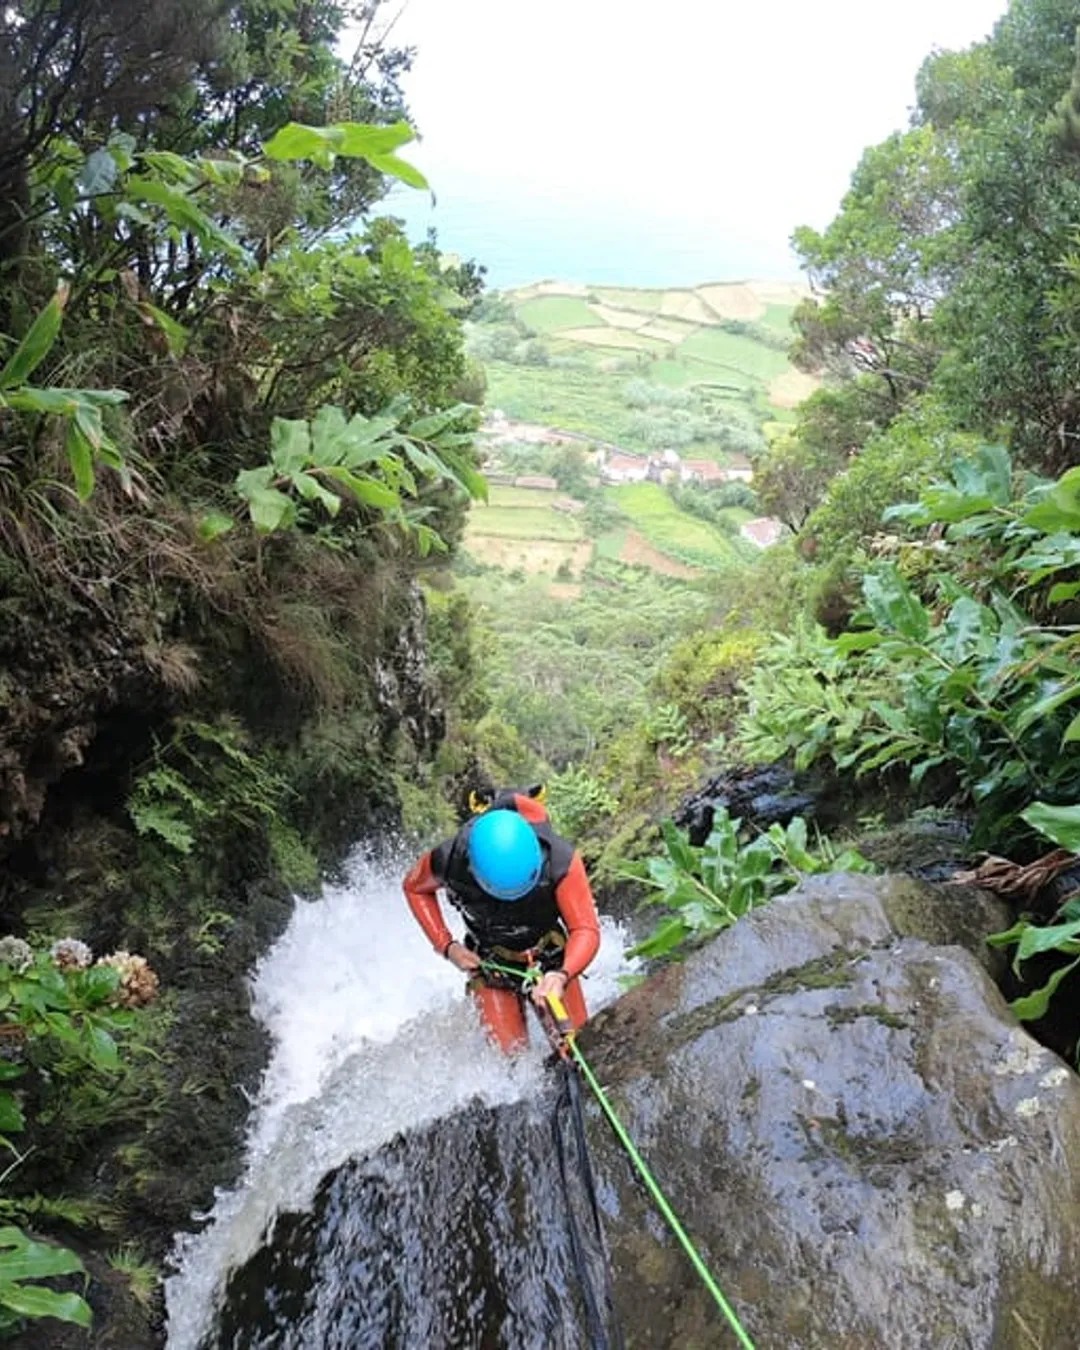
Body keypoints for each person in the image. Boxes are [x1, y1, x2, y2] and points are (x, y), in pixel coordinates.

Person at [403, 785, 601, 1053]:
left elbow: (585, 929)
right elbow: (414, 888)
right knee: (511, 1062)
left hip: (548, 950)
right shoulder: (450, 859)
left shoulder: (560, 860)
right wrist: (448, 947)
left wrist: (560, 975)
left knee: (577, 1047)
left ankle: (511, 796)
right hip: (490, 958)